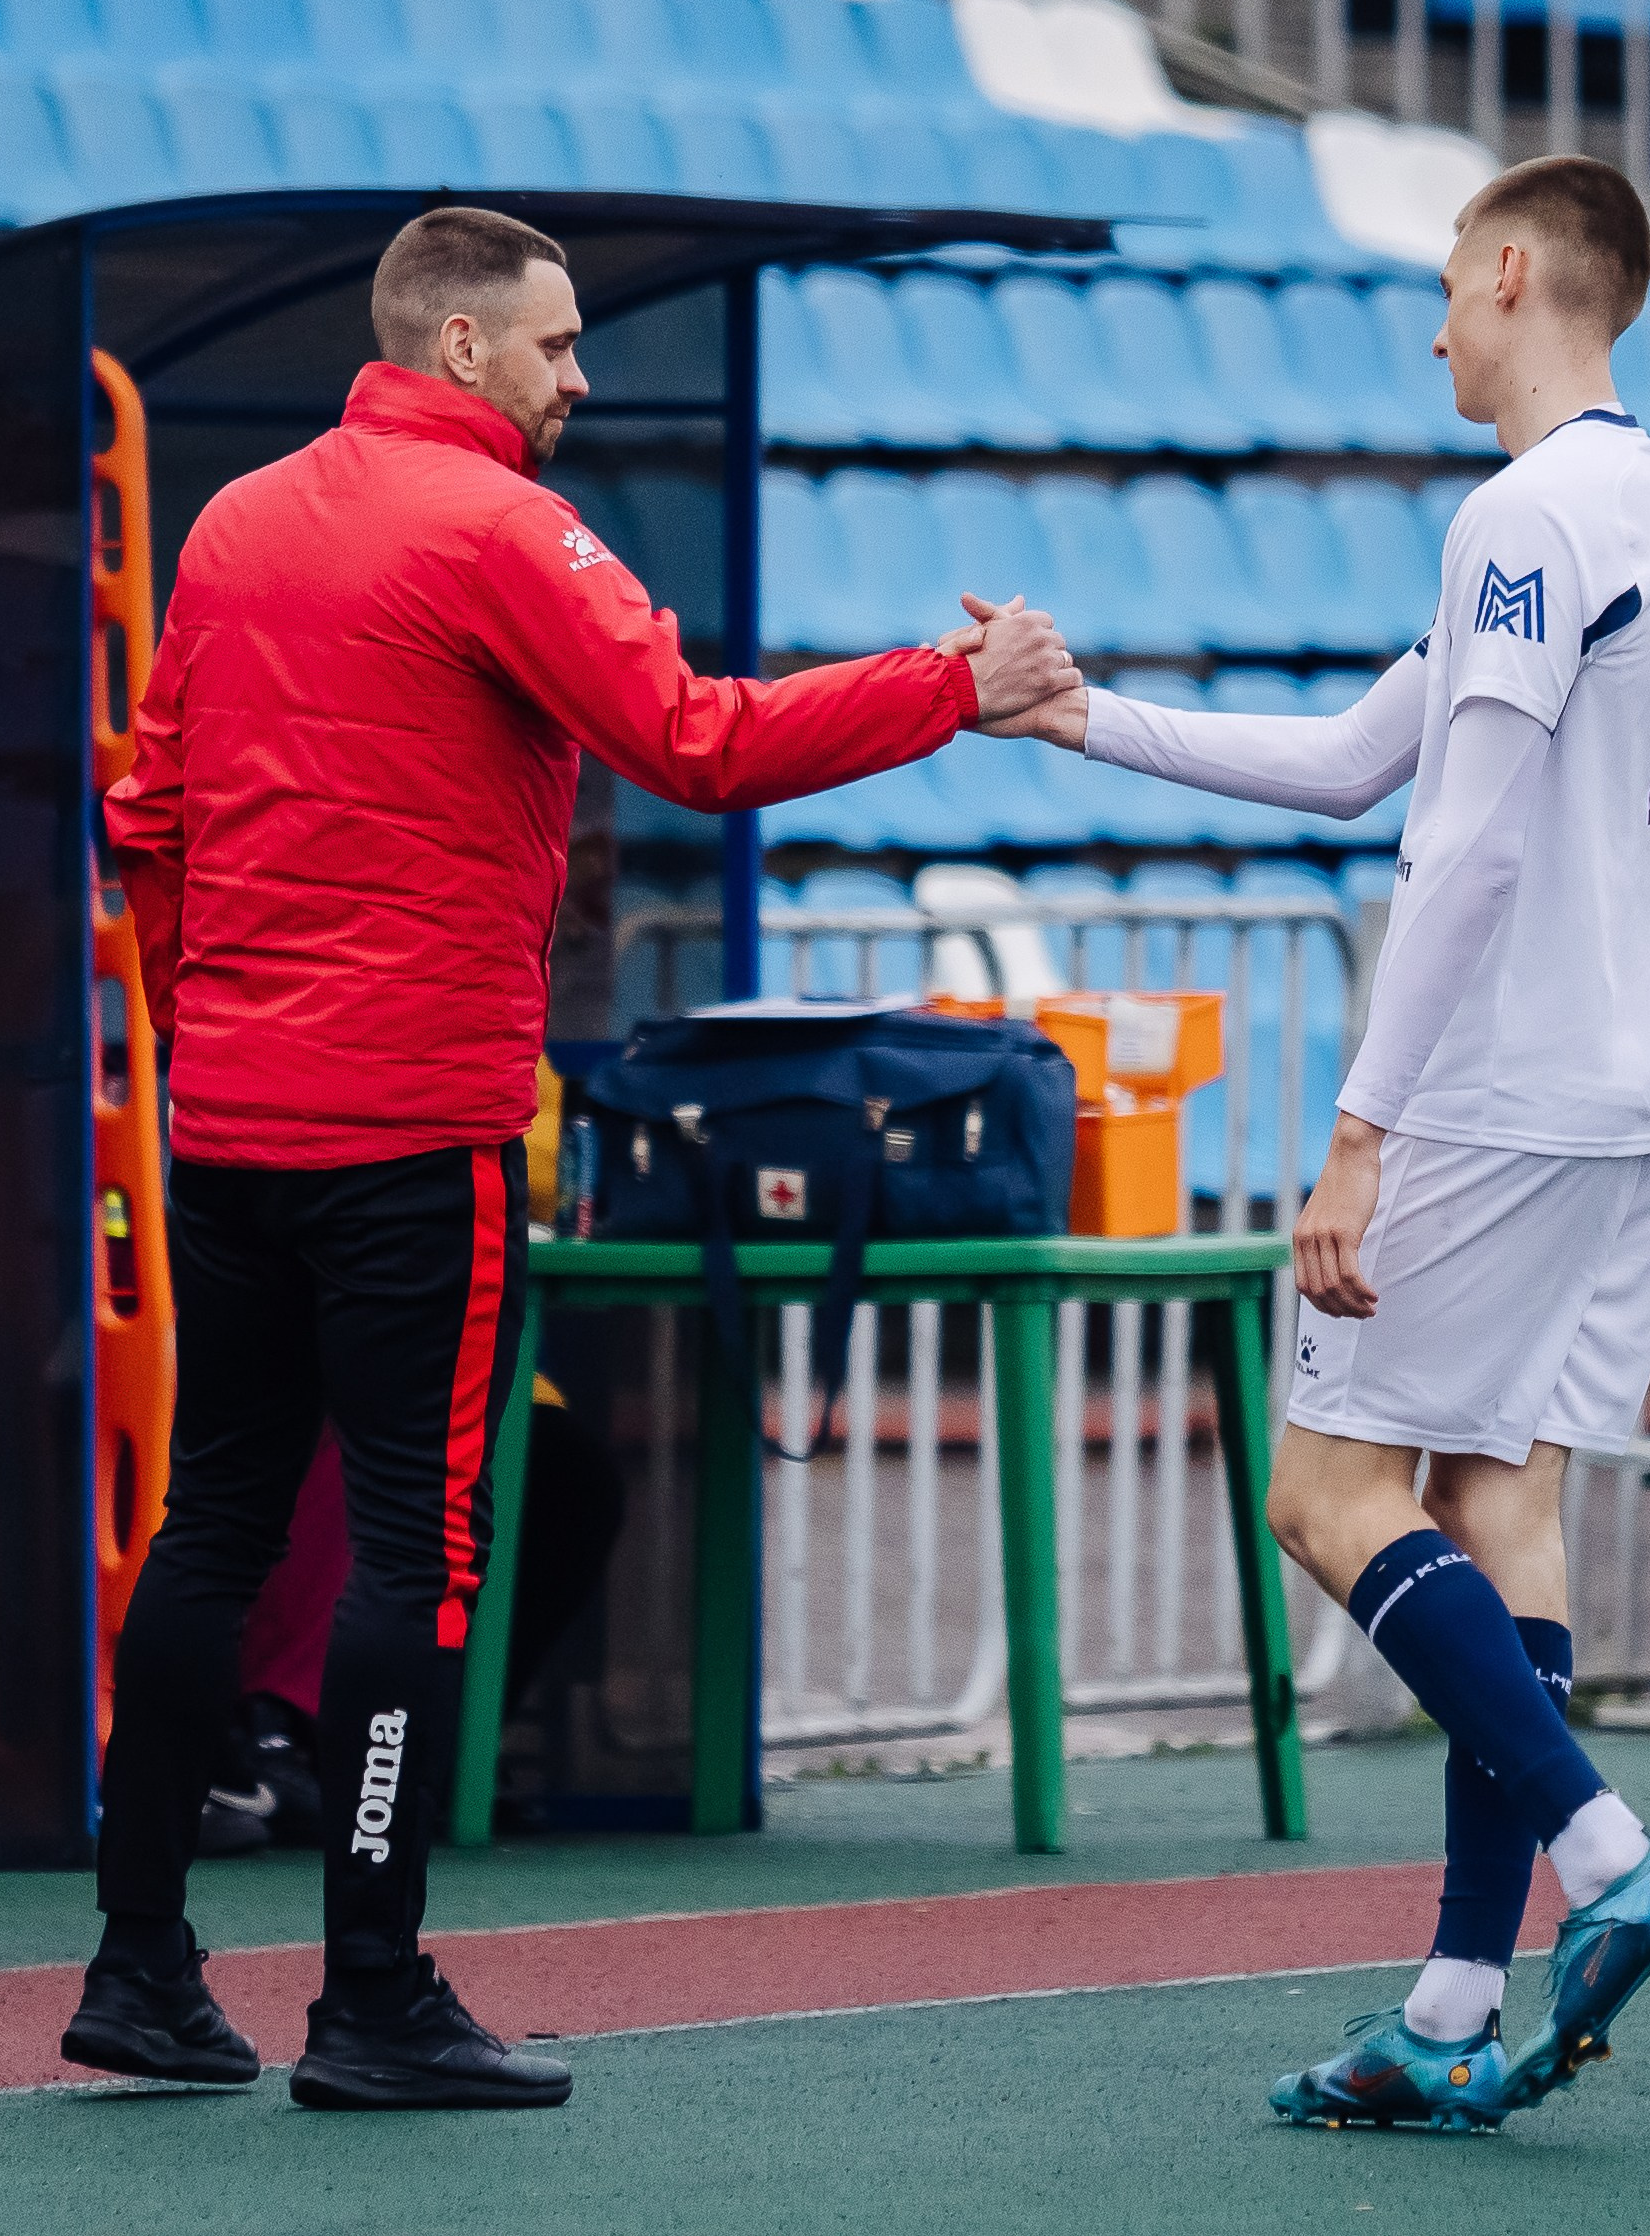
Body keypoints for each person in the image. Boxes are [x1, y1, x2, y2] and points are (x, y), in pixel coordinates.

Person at [63, 205, 1080, 2111]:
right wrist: (958, 688)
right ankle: (372, 1996)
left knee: (213, 1526)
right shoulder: (501, 529)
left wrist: (211, 1042)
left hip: (238, 1126)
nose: (582, 377)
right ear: (460, 346)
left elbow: (151, 816)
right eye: (555, 343)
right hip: (411, 1131)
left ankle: (139, 1967)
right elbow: (696, 743)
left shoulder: (235, 525)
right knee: (412, 1553)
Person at [1014, 157, 1650, 2131]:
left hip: (1498, 1094)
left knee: (1323, 1493)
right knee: (1499, 1504)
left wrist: (1357, 1137)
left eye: (1445, 285)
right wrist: (1084, 719)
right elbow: (1353, 762)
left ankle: (1609, 1857)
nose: (1431, 332)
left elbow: (1463, 846)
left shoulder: (1521, 516)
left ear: (1512, 272)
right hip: (1641, 1089)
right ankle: (1448, 2005)